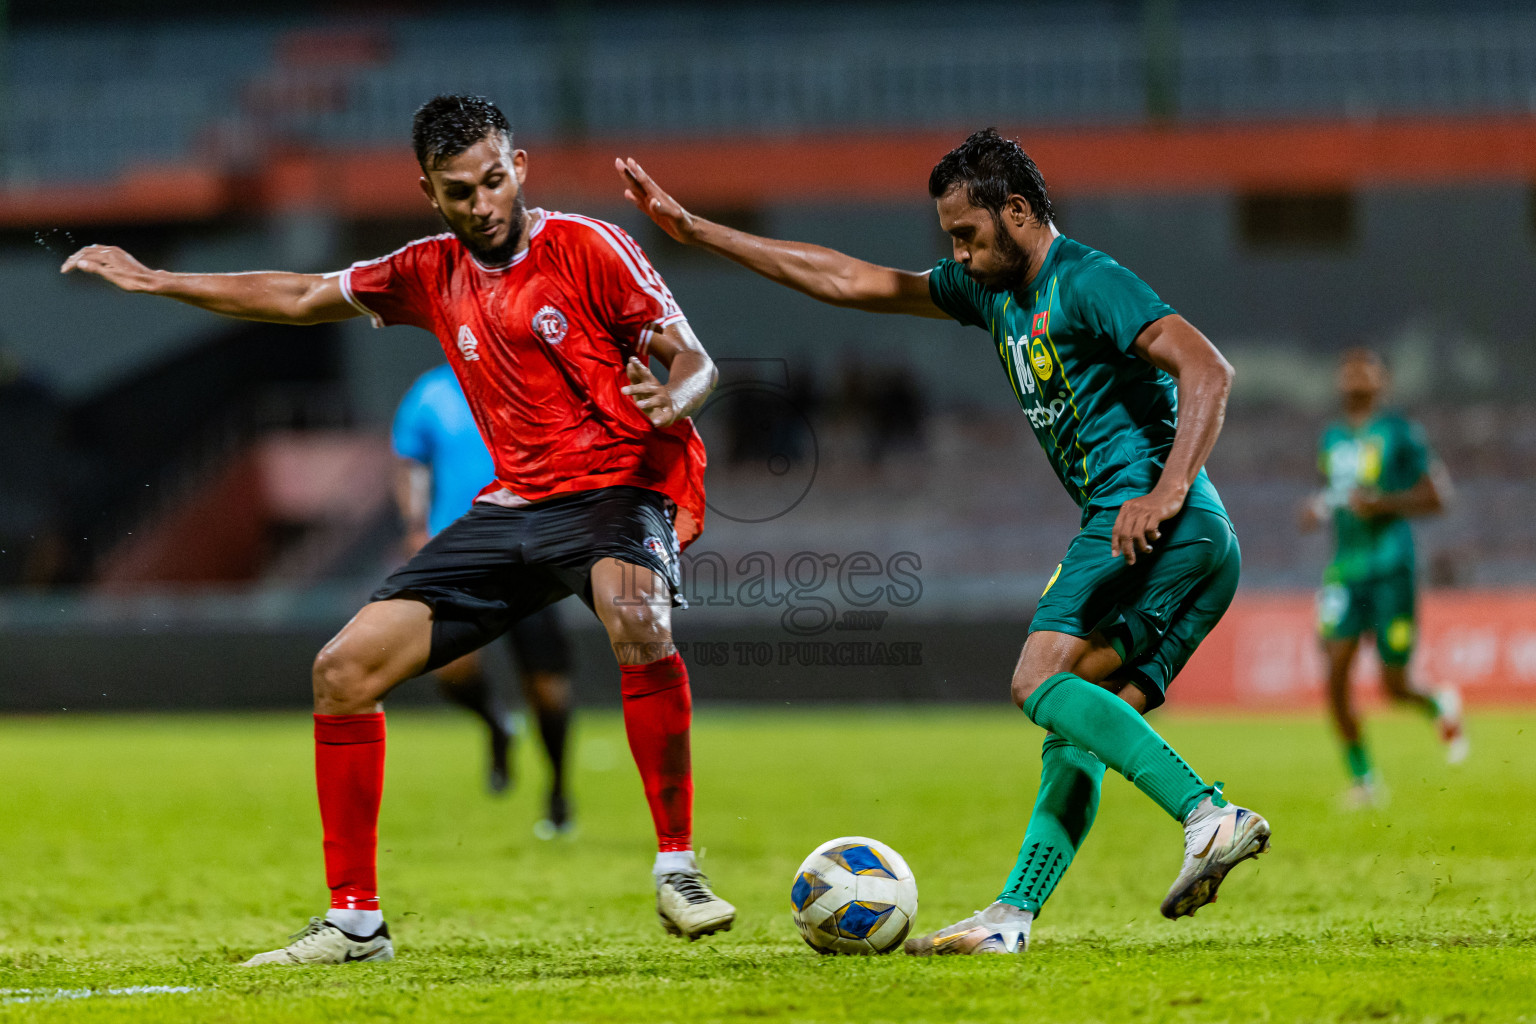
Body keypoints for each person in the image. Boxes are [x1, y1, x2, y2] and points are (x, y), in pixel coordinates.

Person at [64, 93, 735, 965]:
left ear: (519, 168)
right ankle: (355, 923)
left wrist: (672, 395)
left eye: (495, 181)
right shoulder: (426, 270)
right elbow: (303, 294)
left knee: (636, 616)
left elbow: (696, 359)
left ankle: (677, 870)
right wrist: (159, 280)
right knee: (342, 671)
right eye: (461, 192)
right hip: (513, 506)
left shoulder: (589, 246)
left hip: (617, 487)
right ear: (430, 192)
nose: (484, 204)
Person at [618, 128, 1270, 955]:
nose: (956, 254)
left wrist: (1166, 488)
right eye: (949, 240)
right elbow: (847, 279)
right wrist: (701, 232)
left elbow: (1207, 367)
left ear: (1021, 212)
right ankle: (1011, 918)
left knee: (1036, 679)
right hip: (1196, 542)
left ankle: (1209, 816)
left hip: (1150, 518)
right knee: (1078, 725)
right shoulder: (988, 293)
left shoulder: (1088, 280)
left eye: (968, 234)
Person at [393, 362, 576, 832]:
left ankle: (557, 791)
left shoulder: (533, 378)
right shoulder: (431, 390)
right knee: (451, 671)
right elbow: (409, 461)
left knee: (548, 689)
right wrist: (415, 524)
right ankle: (497, 724)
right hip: (458, 551)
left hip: (530, 551)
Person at [1299, 348, 1465, 808]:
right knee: (1335, 671)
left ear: (1382, 380)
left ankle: (1439, 704)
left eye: (1364, 368)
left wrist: (1384, 503)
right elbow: (1334, 495)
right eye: (1347, 367)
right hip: (1344, 571)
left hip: (1392, 566)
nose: (1354, 374)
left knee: (1394, 685)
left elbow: (1439, 497)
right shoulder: (1331, 437)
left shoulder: (1400, 432)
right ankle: (1364, 781)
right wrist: (1316, 508)